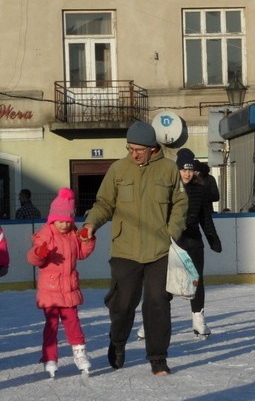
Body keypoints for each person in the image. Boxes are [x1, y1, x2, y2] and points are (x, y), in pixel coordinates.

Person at [82, 121, 188, 375]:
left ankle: (158, 358)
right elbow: (104, 203)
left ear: (152, 149)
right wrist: (91, 224)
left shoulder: (168, 170)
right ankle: (118, 342)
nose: (134, 154)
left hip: (159, 250)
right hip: (125, 249)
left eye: (139, 149)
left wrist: (171, 232)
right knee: (122, 303)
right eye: (130, 148)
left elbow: (181, 204)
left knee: (157, 303)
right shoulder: (118, 170)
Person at [140, 148, 222, 340]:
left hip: (193, 241)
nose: (187, 173)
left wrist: (213, 239)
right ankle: (154, 322)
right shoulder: (168, 188)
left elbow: (205, 218)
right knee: (164, 283)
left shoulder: (200, 189)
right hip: (171, 242)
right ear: (177, 170)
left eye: (190, 170)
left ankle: (198, 318)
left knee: (197, 280)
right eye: (183, 170)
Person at [26, 188, 96, 377]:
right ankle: (50, 357)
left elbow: (81, 253)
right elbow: (33, 259)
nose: (64, 225)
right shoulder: (45, 234)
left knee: (73, 323)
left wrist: (87, 240)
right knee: (52, 325)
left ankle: (80, 354)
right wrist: (39, 254)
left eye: (68, 221)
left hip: (69, 288)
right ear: (52, 219)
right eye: (60, 221)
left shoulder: (73, 234)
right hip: (50, 290)